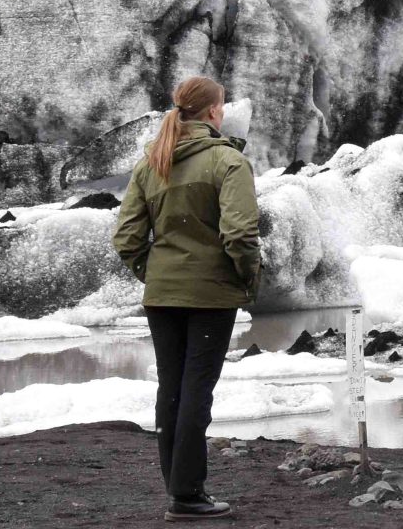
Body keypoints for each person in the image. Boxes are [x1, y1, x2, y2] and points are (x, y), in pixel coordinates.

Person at [110, 75, 258, 522]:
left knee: (171, 388)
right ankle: (188, 495)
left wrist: (156, 275)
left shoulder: (151, 164)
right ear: (213, 111)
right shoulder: (228, 161)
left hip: (162, 296)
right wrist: (246, 279)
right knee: (196, 390)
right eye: (222, 106)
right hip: (210, 296)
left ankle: (178, 488)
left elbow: (126, 239)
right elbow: (240, 234)